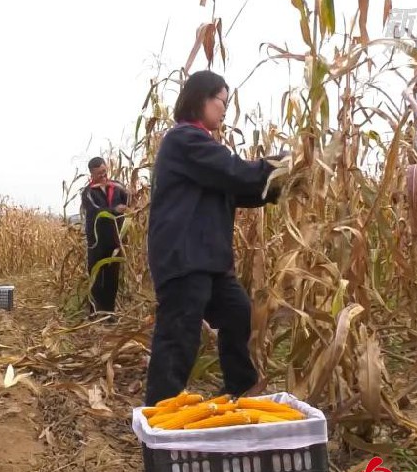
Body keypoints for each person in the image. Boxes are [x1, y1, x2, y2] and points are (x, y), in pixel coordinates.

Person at [143, 70, 291, 407]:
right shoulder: (184, 139)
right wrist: (279, 165)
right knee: (179, 335)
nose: (225, 109)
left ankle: (241, 392)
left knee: (238, 313)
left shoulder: (202, 148)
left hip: (209, 260)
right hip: (184, 257)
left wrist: (279, 185)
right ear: (200, 98)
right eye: (221, 101)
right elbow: (234, 172)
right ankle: (160, 413)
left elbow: (237, 189)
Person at [80, 156, 129, 320]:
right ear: (92, 174)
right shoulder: (88, 192)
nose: (103, 175)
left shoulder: (117, 186)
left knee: (112, 277)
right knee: (95, 275)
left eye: (104, 171)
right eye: (99, 173)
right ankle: (94, 312)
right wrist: (114, 210)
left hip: (115, 240)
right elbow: (96, 211)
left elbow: (129, 201)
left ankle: (109, 312)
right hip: (97, 241)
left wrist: (129, 196)